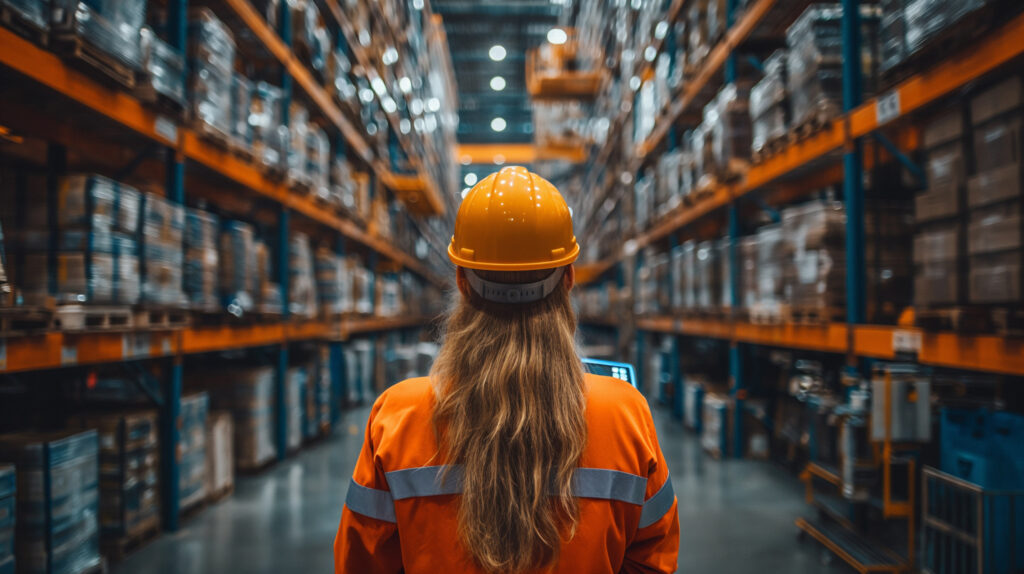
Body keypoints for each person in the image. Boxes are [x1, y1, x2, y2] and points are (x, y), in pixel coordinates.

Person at [334, 166, 679, 574]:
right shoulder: (625, 414)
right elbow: (651, 562)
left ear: (461, 280)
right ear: (568, 278)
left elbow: (361, 564)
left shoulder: (397, 417)